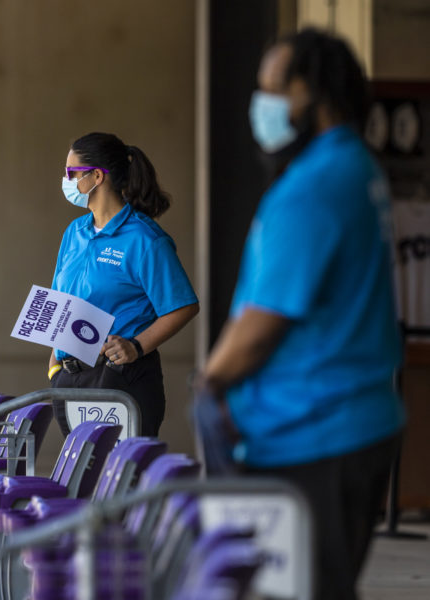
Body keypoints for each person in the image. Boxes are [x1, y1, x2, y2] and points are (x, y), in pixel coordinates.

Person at [198, 28, 404, 600]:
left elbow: (262, 326)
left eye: (271, 90)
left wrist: (211, 379)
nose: (260, 106)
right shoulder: (357, 168)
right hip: (348, 422)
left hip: (313, 432)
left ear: (311, 91)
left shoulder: (312, 187)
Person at [48, 133, 199, 437]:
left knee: (123, 481)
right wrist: (54, 366)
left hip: (118, 376)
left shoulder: (145, 239)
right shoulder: (74, 232)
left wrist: (137, 346)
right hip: (70, 379)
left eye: (71, 173)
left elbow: (183, 306)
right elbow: (60, 300)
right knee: (85, 481)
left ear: (97, 176)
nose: (66, 181)